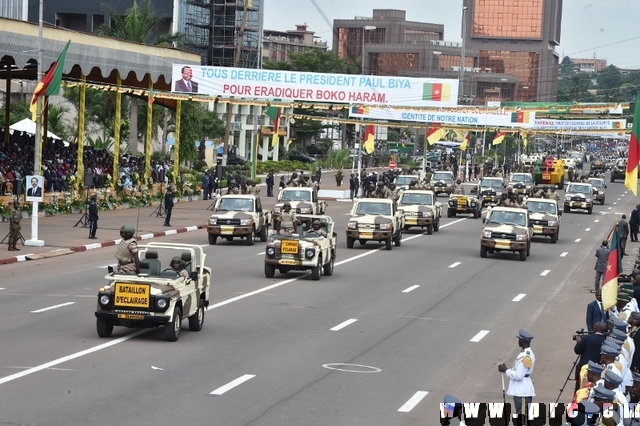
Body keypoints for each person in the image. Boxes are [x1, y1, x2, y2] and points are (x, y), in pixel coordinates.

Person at [498, 329, 535, 426]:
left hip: (522, 392)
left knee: (522, 419)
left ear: (522, 341)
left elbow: (519, 375)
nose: (518, 341)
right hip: (521, 390)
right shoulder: (526, 353)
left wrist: (506, 370)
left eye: (519, 339)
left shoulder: (525, 357)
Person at [573, 321, 606, 392]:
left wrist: (579, 341)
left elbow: (577, 350)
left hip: (583, 369)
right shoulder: (605, 341)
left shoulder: (587, 339)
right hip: (597, 372)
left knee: (579, 391)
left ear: (596, 329)